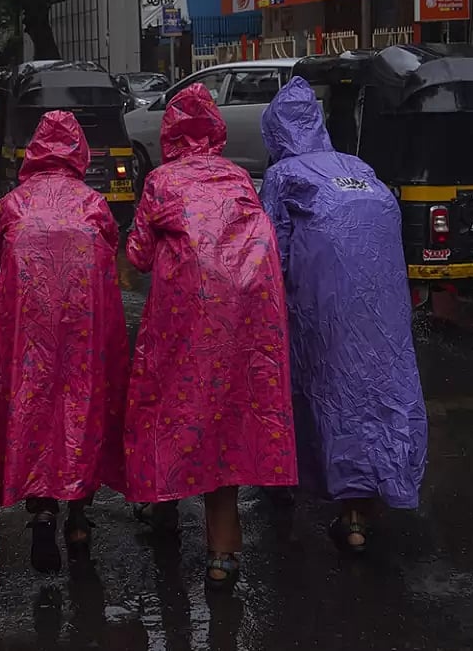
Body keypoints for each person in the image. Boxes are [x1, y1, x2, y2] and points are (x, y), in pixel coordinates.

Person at [123, 83, 297, 588]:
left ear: (170, 133)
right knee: (228, 415)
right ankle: (223, 551)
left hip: (185, 314)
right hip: (248, 313)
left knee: (170, 406)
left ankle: (163, 505)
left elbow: (138, 255)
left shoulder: (161, 181)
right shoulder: (237, 175)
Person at [258, 76, 428, 554]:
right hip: (382, 301)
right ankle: (359, 510)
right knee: (376, 388)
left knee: (317, 385)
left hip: (321, 300)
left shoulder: (284, 175)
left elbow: (271, 254)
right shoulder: (358, 167)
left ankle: (287, 479)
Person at [0, 110, 129, 574]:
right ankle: (78, 517)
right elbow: (111, 252)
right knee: (81, 405)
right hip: (83, 325)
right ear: (78, 152)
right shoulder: (93, 203)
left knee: (34, 405)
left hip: (29, 328)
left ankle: (43, 510)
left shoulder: (12, 204)